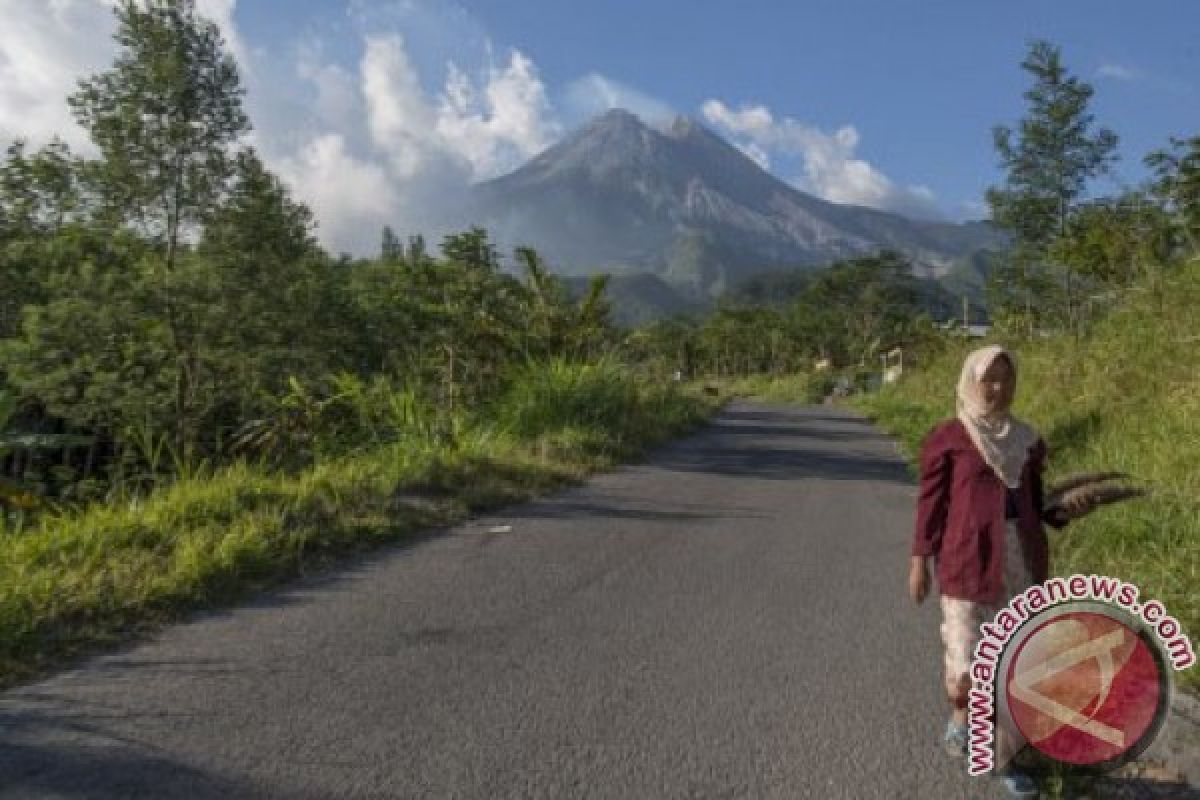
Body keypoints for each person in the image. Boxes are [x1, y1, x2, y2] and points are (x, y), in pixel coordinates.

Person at [907, 345, 1091, 797]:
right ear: (971, 381)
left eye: (1007, 379)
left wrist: (1067, 511)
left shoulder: (1026, 440)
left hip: (1019, 559)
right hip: (966, 560)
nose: (998, 388)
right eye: (989, 379)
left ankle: (1002, 756)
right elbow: (932, 504)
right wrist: (919, 561)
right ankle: (961, 718)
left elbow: (1036, 507)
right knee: (967, 661)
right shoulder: (949, 437)